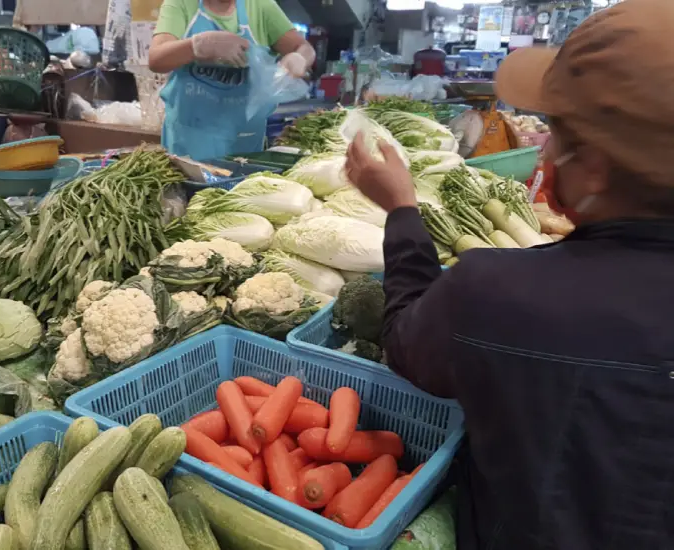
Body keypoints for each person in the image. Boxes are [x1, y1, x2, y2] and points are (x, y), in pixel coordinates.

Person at [343, 0, 674, 548]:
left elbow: (405, 341)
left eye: (556, 133)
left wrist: (402, 211)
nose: (543, 146)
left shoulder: (502, 292)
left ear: (593, 169)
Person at [149, 0, 315, 160]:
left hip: (246, 140)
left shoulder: (261, 6)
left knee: (243, 186)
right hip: (190, 141)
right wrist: (197, 46)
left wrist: (299, 58)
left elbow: (304, 48)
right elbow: (156, 59)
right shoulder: (181, 4)